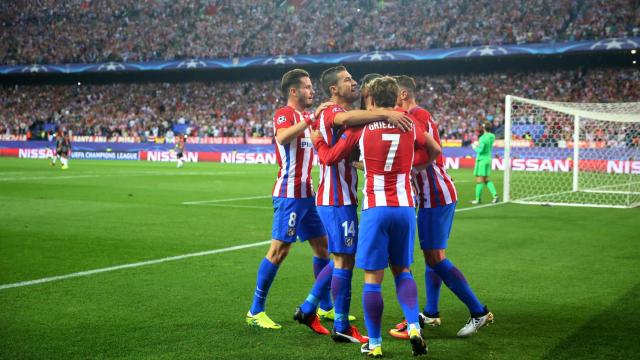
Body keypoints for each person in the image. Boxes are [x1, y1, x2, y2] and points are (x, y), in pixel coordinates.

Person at [313, 76, 431, 358]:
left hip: (376, 209)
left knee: (372, 280)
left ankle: (375, 344)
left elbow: (329, 158)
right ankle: (414, 326)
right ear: (396, 98)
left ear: (373, 101)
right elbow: (434, 151)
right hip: (405, 207)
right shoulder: (410, 123)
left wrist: (318, 140)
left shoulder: (361, 128)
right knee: (403, 270)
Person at [294, 66, 412, 343]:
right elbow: (332, 154)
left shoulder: (348, 117)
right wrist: (384, 112)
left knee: (343, 258)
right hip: (337, 198)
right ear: (334, 89)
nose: (353, 82)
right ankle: (340, 325)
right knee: (345, 260)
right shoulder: (332, 111)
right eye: (347, 80)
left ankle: (310, 308)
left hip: (341, 198)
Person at [389, 75, 494, 339]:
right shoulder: (416, 115)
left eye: (392, 95)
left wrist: (408, 165)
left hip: (435, 194)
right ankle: (431, 313)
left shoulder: (417, 114)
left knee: (436, 257)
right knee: (431, 255)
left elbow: (428, 151)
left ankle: (479, 311)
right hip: (431, 195)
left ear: (402, 95)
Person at [246, 69, 330, 333]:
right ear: (293, 91)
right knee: (279, 251)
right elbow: (281, 137)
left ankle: (326, 306)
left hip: (307, 195)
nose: (312, 91)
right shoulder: (285, 113)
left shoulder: (307, 120)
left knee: (323, 248)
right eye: (306, 87)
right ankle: (255, 311)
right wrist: (308, 120)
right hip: (289, 195)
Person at [471, 121, 499, 204]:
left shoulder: (483, 138)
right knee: (486, 179)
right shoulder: (492, 136)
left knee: (479, 179)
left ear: (483, 128)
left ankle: (478, 199)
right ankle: (495, 195)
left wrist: (474, 147)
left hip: (482, 160)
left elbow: (480, 150)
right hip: (488, 159)